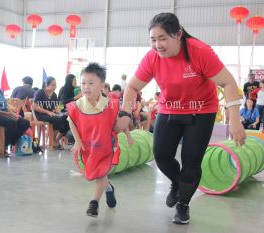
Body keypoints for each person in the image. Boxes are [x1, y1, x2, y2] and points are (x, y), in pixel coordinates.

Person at [116, 13, 245, 224]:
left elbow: (228, 83)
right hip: (169, 109)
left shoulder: (199, 52)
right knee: (161, 155)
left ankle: (183, 205)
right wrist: (125, 113)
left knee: (191, 161)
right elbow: (132, 87)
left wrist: (235, 121)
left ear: (178, 34)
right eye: (153, 40)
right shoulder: (152, 58)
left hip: (201, 112)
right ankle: (177, 183)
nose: (158, 45)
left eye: (163, 38)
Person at [67, 63, 132, 218]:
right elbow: (71, 121)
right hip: (88, 147)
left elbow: (121, 122)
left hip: (106, 146)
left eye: (91, 83)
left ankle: (94, 203)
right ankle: (108, 188)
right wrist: (77, 141)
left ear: (102, 85)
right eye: (83, 83)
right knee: (97, 174)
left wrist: (128, 136)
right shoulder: (77, 105)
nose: (86, 87)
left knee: (101, 174)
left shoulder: (110, 104)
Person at [33, 77, 70, 149]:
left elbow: (57, 107)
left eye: (55, 85)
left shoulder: (54, 94)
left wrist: (63, 112)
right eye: (53, 85)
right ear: (47, 85)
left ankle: (55, 140)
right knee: (56, 119)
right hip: (40, 114)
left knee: (66, 119)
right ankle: (53, 141)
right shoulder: (40, 92)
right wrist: (48, 112)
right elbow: (35, 107)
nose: (54, 87)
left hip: (50, 114)